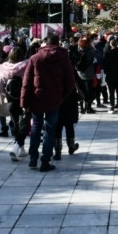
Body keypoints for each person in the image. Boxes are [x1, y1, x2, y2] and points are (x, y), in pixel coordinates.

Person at [21, 34, 75, 172]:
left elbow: (26, 82)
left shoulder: (35, 58)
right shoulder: (63, 58)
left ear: (45, 43)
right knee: (50, 129)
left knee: (36, 127)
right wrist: (62, 96)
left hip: (36, 97)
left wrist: (24, 102)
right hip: (54, 98)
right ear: (58, 43)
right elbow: (70, 81)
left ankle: (33, 158)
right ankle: (45, 160)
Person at [102, 35, 118, 113]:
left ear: (110, 44)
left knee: (111, 91)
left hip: (110, 75)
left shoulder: (108, 53)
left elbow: (105, 64)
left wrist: (106, 72)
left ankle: (112, 106)